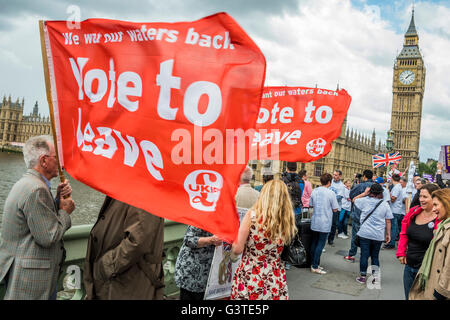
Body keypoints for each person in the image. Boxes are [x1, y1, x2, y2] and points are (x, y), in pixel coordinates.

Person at [0, 135, 75, 300]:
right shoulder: (37, 190)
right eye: (57, 158)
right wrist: (65, 212)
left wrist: (56, 200)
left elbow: (37, 218)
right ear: (44, 161)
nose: (61, 163)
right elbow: (48, 236)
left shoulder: (27, 183)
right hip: (31, 279)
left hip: (22, 272)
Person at [83, 196, 165, 300]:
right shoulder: (127, 188)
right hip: (116, 279)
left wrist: (105, 265)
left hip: (127, 281)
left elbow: (137, 242)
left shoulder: (144, 191)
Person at [230, 179, 297, 300]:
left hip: (251, 274)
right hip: (275, 277)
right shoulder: (287, 220)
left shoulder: (252, 216)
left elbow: (237, 249)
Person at [396, 183, 441, 300]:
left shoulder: (440, 218)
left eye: (425, 197)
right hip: (409, 267)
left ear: (434, 198)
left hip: (427, 271)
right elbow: (404, 233)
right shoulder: (414, 211)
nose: (421, 199)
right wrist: (401, 251)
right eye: (420, 196)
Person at [409, 188, 450, 300]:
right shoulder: (442, 226)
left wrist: (440, 293)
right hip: (431, 284)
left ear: (446, 203)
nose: (434, 209)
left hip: (439, 291)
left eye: (436, 205)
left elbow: (448, 268)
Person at [352, 184, 393, 284]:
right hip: (378, 235)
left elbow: (354, 199)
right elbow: (388, 221)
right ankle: (375, 278)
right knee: (375, 256)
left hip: (364, 233)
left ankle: (362, 276)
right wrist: (388, 234)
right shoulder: (385, 204)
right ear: (381, 193)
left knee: (364, 255)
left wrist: (364, 193)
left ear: (370, 192)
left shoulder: (364, 201)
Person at [175, 226, 222, 300]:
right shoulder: (202, 215)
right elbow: (188, 240)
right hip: (193, 271)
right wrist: (211, 240)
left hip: (210, 274)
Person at [309, 173, 339, 274]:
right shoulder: (331, 193)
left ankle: (313, 263)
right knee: (320, 245)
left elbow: (311, 205)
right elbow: (335, 209)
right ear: (329, 182)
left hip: (315, 220)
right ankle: (315, 266)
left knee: (314, 243)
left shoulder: (315, 191)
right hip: (325, 221)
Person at [344, 169, 374, 262]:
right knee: (368, 237)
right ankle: (365, 255)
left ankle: (352, 254)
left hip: (359, 215)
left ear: (364, 176)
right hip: (371, 216)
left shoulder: (360, 186)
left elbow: (351, 195)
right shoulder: (376, 187)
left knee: (355, 236)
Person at [383, 174, 405, 249]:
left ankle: (391, 243)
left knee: (393, 227)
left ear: (392, 179)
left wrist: (388, 192)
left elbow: (393, 198)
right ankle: (390, 241)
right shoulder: (399, 186)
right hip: (397, 209)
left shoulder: (396, 187)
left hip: (395, 209)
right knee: (394, 227)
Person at [329, 170, 346, 245]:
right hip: (328, 207)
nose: (334, 176)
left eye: (336, 175)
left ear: (340, 176)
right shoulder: (330, 182)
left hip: (336, 208)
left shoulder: (341, 186)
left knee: (333, 224)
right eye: (333, 174)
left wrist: (329, 198)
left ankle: (331, 239)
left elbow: (339, 197)